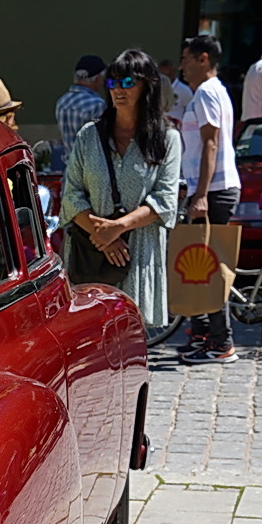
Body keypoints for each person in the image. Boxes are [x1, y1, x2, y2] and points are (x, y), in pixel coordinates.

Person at [61, 49, 181, 340]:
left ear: (147, 85)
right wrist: (103, 236)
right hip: (91, 251)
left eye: (127, 82)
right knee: (88, 343)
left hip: (137, 251)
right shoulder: (89, 136)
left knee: (129, 343)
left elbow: (165, 201)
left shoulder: (167, 139)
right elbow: (71, 195)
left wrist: (118, 228)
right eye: (112, 83)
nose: (118, 90)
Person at [176, 33, 241, 365]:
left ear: (203, 59)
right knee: (199, 266)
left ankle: (221, 342)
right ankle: (202, 333)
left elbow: (210, 145)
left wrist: (200, 194)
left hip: (214, 191)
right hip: (211, 189)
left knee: (210, 269)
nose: (182, 66)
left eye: (187, 59)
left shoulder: (205, 93)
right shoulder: (213, 92)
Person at [56, 55, 107, 150]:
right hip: (92, 163)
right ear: (97, 79)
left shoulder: (62, 102)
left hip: (69, 163)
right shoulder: (97, 104)